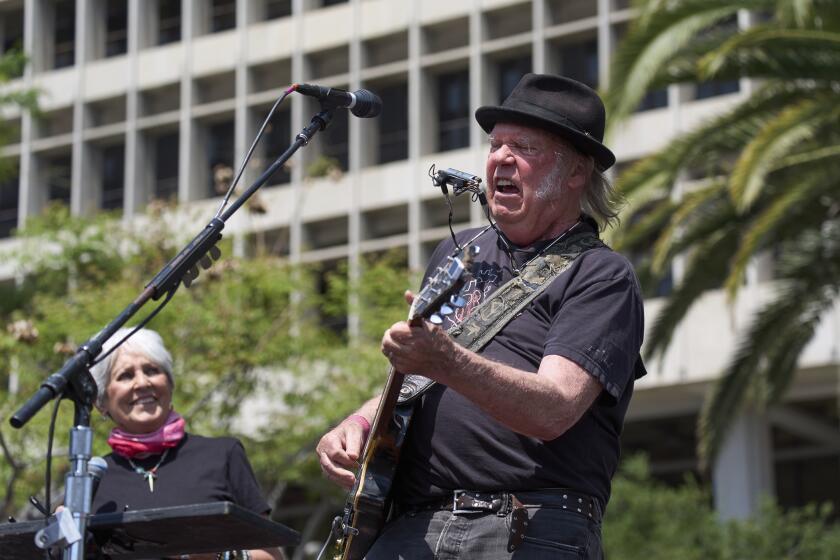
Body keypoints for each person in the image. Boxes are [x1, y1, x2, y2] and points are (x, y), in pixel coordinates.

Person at [316, 73, 646, 559]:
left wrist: (447, 360)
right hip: (411, 528)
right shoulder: (459, 255)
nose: (500, 159)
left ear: (576, 172)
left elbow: (554, 408)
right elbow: (419, 376)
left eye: (524, 147)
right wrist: (361, 422)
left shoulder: (601, 275)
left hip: (526, 526)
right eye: (495, 145)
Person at [89, 327, 284, 560]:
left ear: (170, 383)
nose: (142, 382)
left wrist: (218, 556)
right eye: (125, 375)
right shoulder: (92, 480)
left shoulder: (222, 454)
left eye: (152, 370)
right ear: (101, 402)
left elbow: (272, 555)